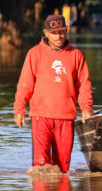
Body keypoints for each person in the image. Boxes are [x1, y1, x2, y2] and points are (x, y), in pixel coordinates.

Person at [14, 14, 93, 172]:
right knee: (40, 167)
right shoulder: (35, 54)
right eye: (55, 32)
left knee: (63, 168)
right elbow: (25, 84)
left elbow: (84, 85)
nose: (59, 36)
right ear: (46, 33)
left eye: (62, 32)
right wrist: (19, 110)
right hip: (40, 116)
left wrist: (86, 108)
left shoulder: (76, 55)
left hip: (66, 118)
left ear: (67, 31)